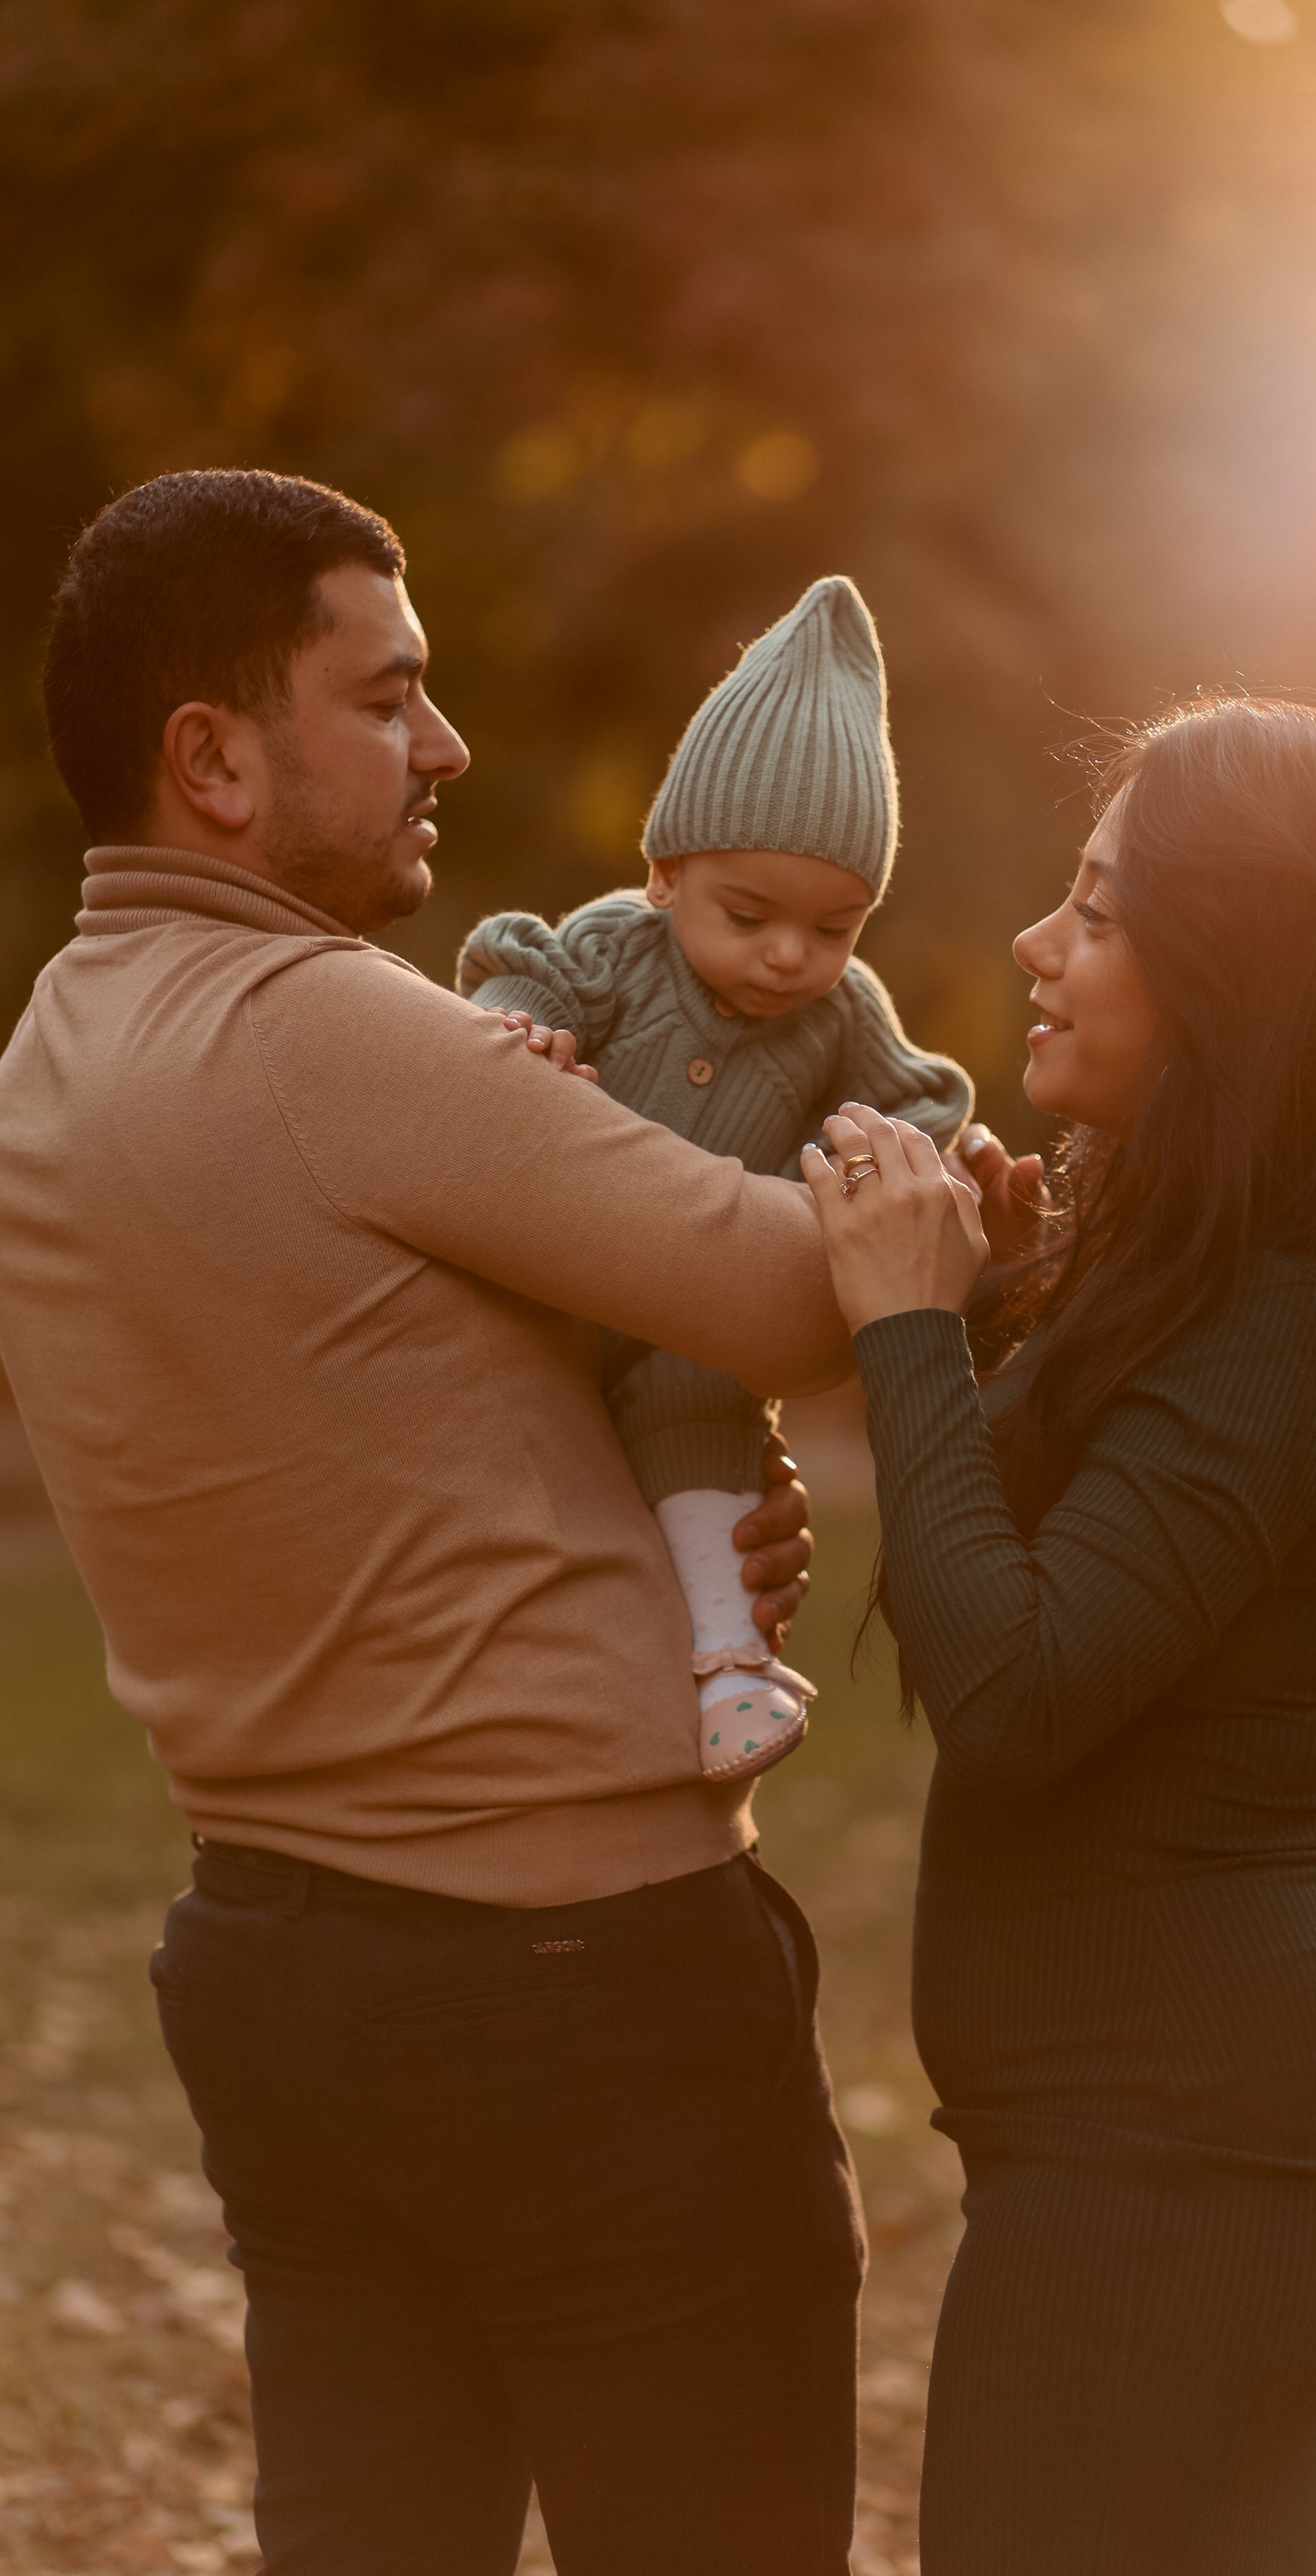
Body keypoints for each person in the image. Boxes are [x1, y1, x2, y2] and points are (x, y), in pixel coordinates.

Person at [0, 469, 865, 2576]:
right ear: (214, 760)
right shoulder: (329, 1033)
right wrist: (997, 1212)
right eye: (387, 697)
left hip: (286, 1979)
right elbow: (779, 1282)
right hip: (577, 2001)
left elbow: (354, 1405)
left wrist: (662, 1519)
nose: (444, 745)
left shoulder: (48, 1069)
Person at [798, 698, 1316, 2574]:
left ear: (1239, 973)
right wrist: (1019, 1315)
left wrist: (908, 1331)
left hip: (1187, 2179)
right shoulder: (1257, 1279)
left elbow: (1019, 1689)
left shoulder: (1296, 1314)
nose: (1036, 946)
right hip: (1191, 2159)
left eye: (1098, 913)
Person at [457, 573, 971, 1779]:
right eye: (750, 912)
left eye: (835, 927)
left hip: (692, 1330)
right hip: (550, 1297)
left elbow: (919, 1098)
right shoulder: (616, 950)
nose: (792, 954)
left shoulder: (841, 1018)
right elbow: (516, 967)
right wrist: (522, 1028)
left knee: (702, 1421)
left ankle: (731, 1666)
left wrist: (894, 1165)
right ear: (667, 872)